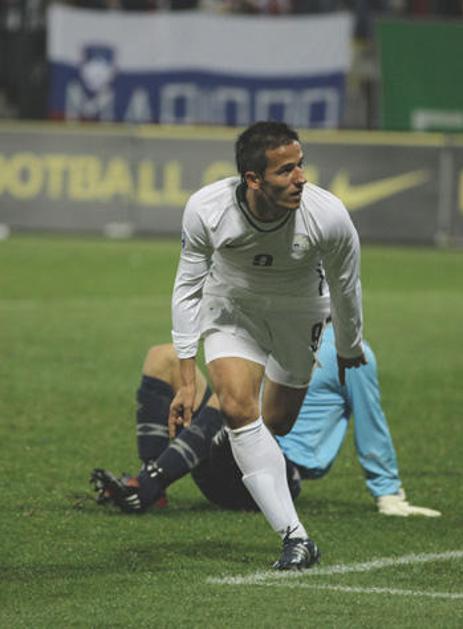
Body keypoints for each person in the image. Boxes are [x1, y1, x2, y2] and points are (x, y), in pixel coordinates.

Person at [95, 121, 367, 571]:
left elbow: (345, 284)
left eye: (301, 165)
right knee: (239, 408)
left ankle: (225, 447)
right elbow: (187, 288)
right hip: (232, 308)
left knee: (276, 421)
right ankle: (296, 538)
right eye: (286, 171)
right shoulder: (208, 209)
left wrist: (349, 345)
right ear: (253, 179)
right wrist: (187, 376)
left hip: (300, 312)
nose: (300, 178)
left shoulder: (329, 216)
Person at [91, 324, 440, 522]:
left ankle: (146, 485)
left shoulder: (349, 351)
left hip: (276, 474)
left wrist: (388, 492)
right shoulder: (272, 329)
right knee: (163, 356)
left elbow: (370, 419)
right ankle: (152, 485)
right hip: (222, 448)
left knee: (231, 401)